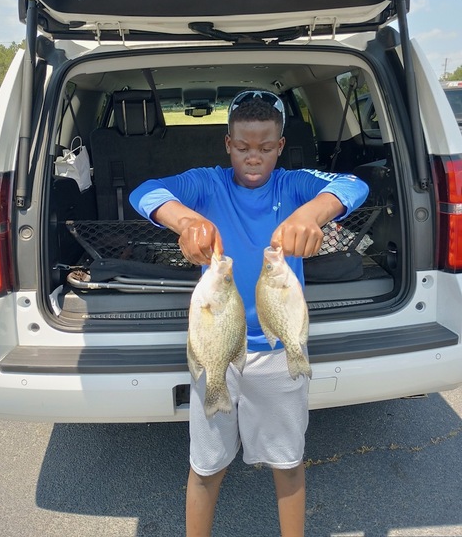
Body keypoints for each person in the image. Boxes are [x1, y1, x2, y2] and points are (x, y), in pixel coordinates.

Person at [129, 90, 369, 537]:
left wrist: (314, 214)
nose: (252, 157)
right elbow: (146, 192)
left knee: (289, 463)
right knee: (205, 466)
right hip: (217, 347)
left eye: (264, 147)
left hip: (277, 346)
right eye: (242, 147)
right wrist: (184, 221)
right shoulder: (207, 183)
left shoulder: (294, 184)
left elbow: (355, 186)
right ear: (227, 144)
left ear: (280, 146)